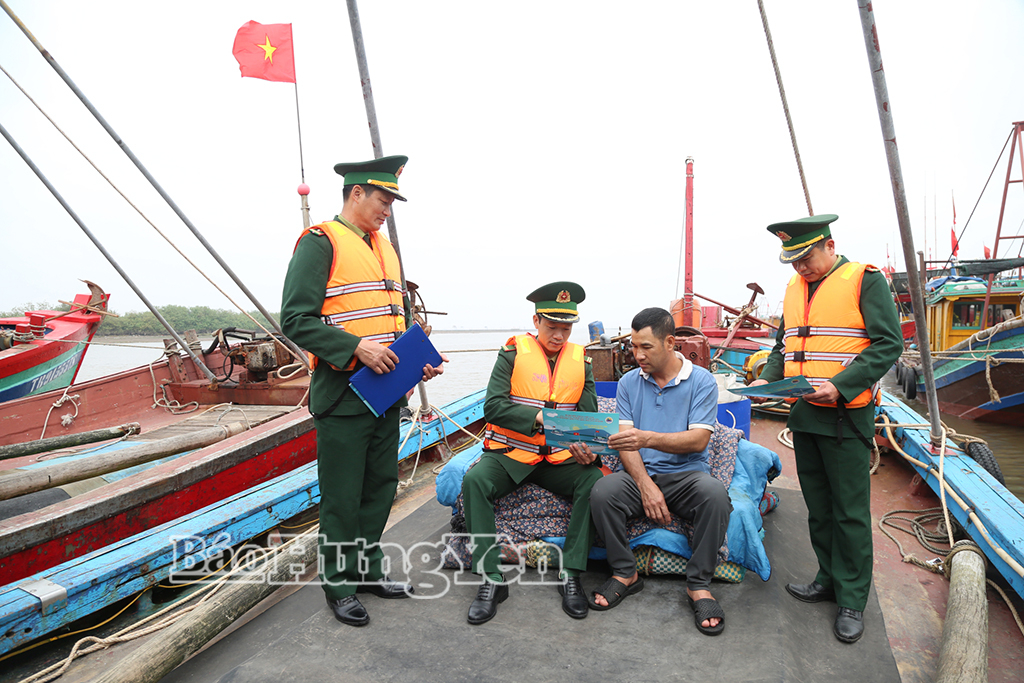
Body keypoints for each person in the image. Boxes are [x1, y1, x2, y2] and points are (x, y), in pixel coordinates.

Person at [281, 155, 444, 627]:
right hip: (343, 394)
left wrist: (417, 361)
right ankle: (339, 585)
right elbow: (295, 320)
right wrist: (355, 348)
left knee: (379, 488)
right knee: (342, 496)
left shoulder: (385, 249)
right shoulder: (320, 243)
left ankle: (368, 570)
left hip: (388, 392)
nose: (387, 210)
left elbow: (395, 319)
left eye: (391, 202)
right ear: (356, 193)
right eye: (382, 200)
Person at [748, 214, 902, 644]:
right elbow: (783, 345)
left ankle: (852, 599)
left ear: (830, 246)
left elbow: (889, 344)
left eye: (807, 258)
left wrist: (841, 385)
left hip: (844, 418)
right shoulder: (794, 288)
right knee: (818, 507)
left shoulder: (864, 280)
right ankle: (828, 579)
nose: (801, 268)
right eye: (794, 262)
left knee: (849, 511)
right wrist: (766, 378)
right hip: (804, 415)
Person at [461, 282, 604, 625]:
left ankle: (571, 573)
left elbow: (589, 418)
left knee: (594, 481)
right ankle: (492, 579)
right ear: (536, 320)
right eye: (552, 326)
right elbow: (493, 407)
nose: (559, 335)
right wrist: (538, 417)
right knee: (474, 481)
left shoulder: (582, 362)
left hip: (558, 460)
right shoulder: (511, 354)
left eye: (566, 328)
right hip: (511, 455)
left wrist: (590, 450)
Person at [588, 307, 731, 636]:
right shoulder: (628, 383)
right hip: (640, 473)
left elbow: (699, 440)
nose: (637, 355)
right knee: (602, 493)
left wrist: (648, 438)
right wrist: (646, 486)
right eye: (634, 347)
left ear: (670, 343)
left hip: (686, 476)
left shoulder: (702, 381)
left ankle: (698, 585)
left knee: (715, 496)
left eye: (646, 347)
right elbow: (627, 444)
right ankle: (625, 572)